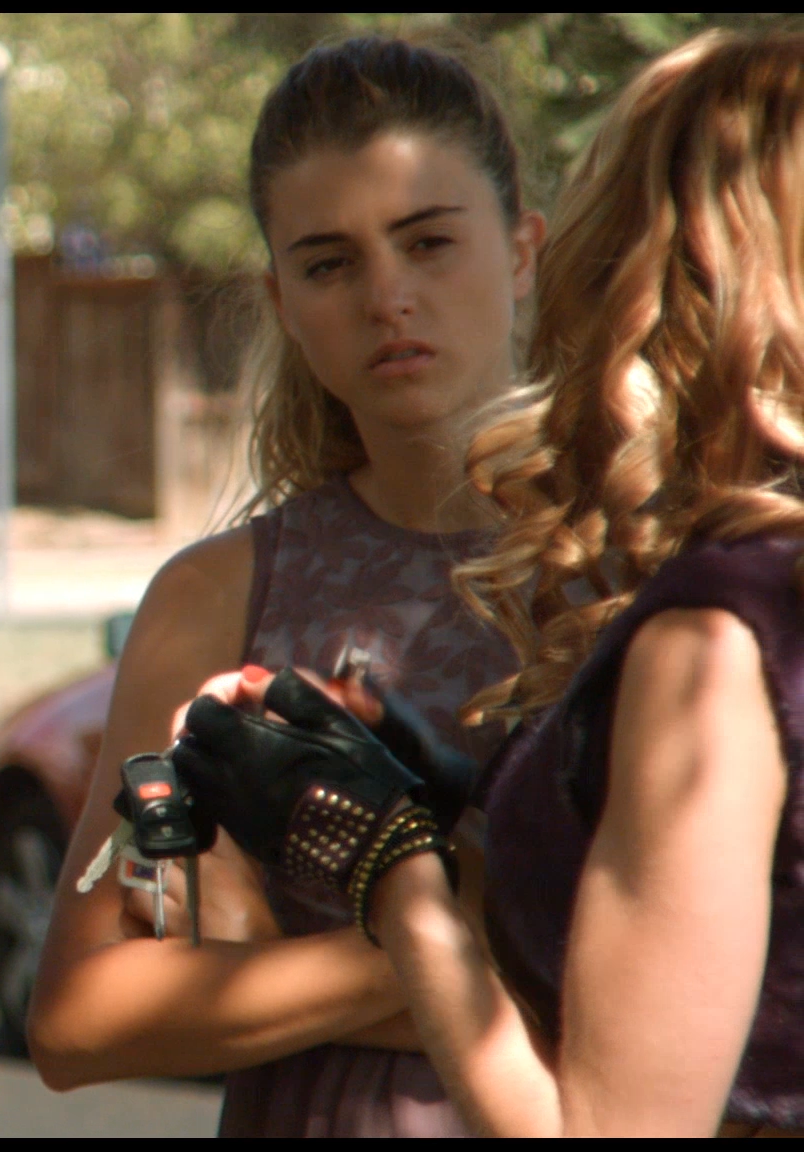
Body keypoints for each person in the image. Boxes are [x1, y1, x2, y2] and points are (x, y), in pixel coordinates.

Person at [170, 30, 804, 1136]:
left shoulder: (716, 631)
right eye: (328, 262)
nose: (389, 297)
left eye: (611, 236)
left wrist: (392, 867)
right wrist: (472, 791)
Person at [28, 37, 545, 1136]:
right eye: (328, 263)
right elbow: (80, 1015)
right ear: (281, 298)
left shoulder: (654, 559)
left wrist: (285, 967)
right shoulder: (220, 595)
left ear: (521, 250)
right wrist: (443, 944)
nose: (387, 295)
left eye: (428, 242)